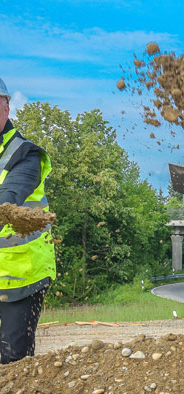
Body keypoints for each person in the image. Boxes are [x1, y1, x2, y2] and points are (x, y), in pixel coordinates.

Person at [0, 77, 56, 364]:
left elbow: (8, 197)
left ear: (6, 110)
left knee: (12, 364)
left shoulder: (25, 154)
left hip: (21, 275)